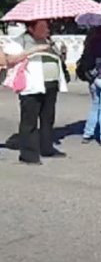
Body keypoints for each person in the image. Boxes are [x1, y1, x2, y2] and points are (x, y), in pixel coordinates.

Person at [2, 20, 68, 164]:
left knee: (47, 119)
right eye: (43, 27)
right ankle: (28, 154)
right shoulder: (19, 41)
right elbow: (10, 60)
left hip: (50, 84)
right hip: (31, 85)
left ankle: (46, 148)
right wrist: (35, 49)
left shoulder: (49, 41)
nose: (47, 30)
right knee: (29, 121)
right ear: (31, 28)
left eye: (47, 27)